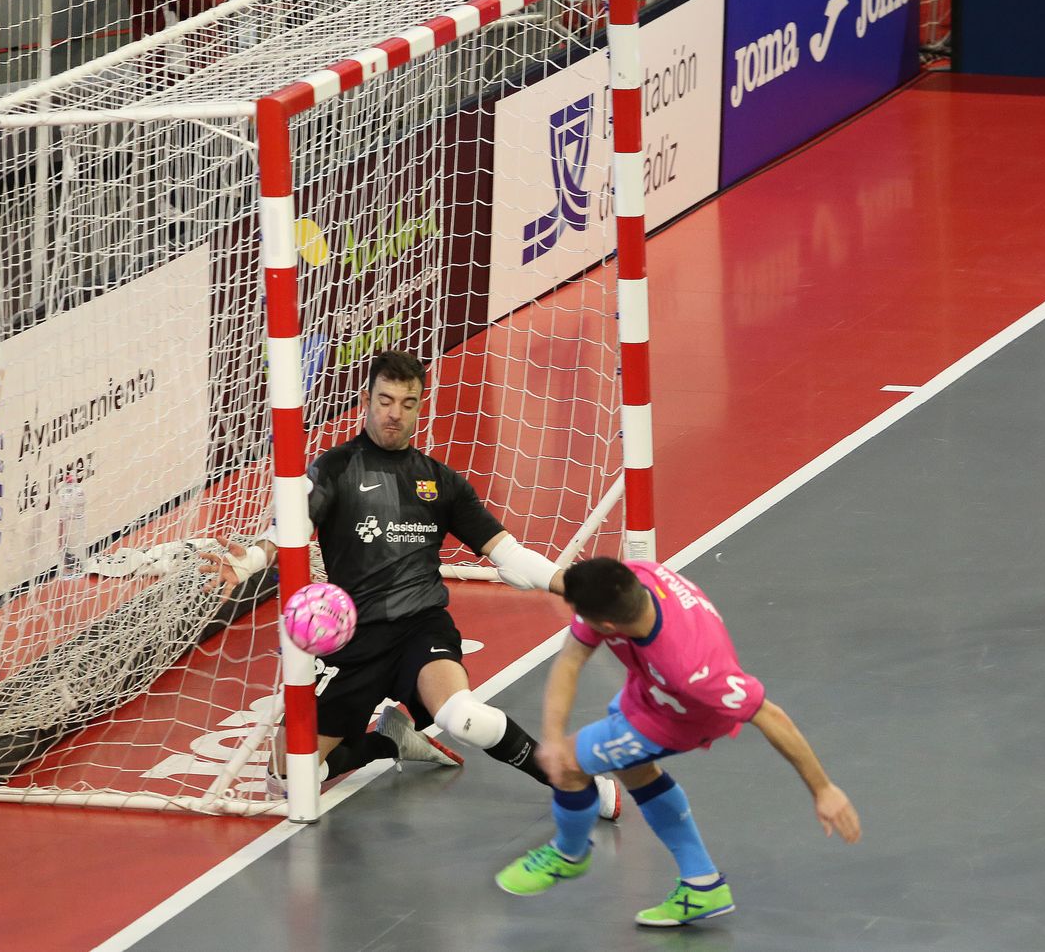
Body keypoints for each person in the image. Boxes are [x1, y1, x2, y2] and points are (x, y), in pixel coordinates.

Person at [202, 351, 619, 818]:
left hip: (421, 628)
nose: (394, 413)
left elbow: (510, 557)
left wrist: (574, 586)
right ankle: (388, 740)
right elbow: (286, 533)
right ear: (366, 400)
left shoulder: (441, 483)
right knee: (287, 780)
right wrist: (248, 563)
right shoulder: (333, 470)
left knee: (462, 716)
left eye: (407, 402)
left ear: (421, 406)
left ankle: (574, 785)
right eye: (384, 400)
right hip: (353, 640)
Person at [494, 556, 861, 926]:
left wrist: (824, 789)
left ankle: (568, 855)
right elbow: (571, 660)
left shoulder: (694, 669)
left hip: (682, 716)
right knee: (630, 765)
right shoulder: (635, 576)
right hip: (649, 686)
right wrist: (551, 736)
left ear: (607, 625)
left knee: (570, 764)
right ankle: (702, 886)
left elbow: (771, 716)